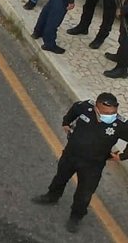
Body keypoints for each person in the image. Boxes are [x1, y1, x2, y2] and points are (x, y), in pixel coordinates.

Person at [32, 92, 128, 233]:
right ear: (96, 108)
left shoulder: (120, 124)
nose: (110, 115)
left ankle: (76, 216)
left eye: (113, 112)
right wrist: (66, 122)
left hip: (93, 165)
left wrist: (123, 156)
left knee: (84, 194)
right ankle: (52, 196)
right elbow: (74, 109)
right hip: (71, 156)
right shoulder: (85, 108)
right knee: (60, 178)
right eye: (106, 112)